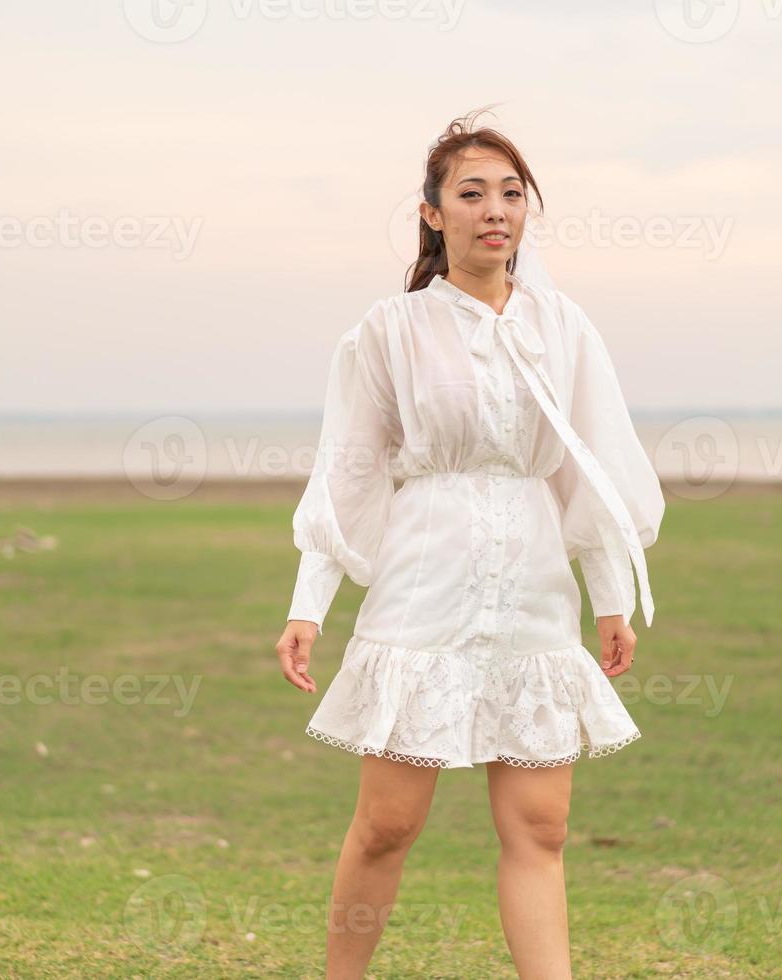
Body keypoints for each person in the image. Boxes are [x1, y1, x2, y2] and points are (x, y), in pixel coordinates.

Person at [273, 109, 666, 980]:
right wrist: (310, 605)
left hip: (533, 593)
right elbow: (349, 470)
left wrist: (607, 596)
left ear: (527, 211)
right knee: (387, 824)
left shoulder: (564, 329)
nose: (495, 209)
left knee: (542, 827)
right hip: (423, 586)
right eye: (472, 193)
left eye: (511, 193)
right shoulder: (390, 330)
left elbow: (586, 467)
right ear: (433, 212)